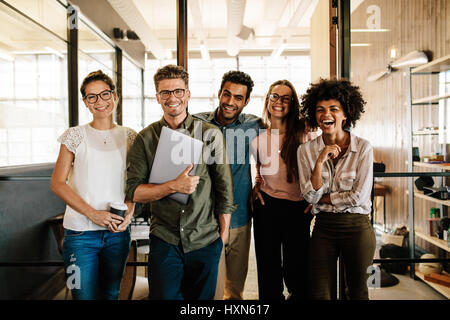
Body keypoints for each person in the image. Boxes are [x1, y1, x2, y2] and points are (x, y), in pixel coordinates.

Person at [125, 64, 236, 300]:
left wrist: (221, 239)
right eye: (165, 92)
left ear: (187, 94)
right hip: (165, 240)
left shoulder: (210, 134)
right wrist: (173, 186)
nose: (172, 97)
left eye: (178, 91)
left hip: (205, 239)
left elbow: (224, 191)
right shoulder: (146, 138)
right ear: (157, 97)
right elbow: (134, 191)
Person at [51, 70, 136, 300]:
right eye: (92, 97)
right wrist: (93, 214)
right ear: (86, 103)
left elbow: (135, 184)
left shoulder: (130, 137)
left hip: (117, 235)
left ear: (115, 96)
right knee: (82, 296)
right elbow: (58, 183)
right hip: (79, 235)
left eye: (105, 94)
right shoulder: (74, 136)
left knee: (111, 294)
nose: (100, 101)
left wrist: (130, 211)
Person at [297, 78, 375, 300]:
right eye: (320, 110)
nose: (325, 114)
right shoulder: (306, 151)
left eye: (333, 109)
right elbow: (310, 196)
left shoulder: (363, 148)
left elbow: (359, 197)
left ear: (346, 114)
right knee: (320, 292)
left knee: (359, 291)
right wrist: (320, 160)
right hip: (324, 228)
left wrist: (324, 198)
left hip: (358, 227)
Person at [194, 70, 262, 300]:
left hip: (240, 218)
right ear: (219, 93)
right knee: (207, 289)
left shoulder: (254, 125)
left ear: (246, 100)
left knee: (234, 291)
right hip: (205, 220)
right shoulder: (196, 123)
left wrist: (262, 179)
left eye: (238, 97)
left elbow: (280, 144)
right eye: (226, 94)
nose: (230, 102)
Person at [250, 80, 315, 300]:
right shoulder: (257, 139)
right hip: (266, 206)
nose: (279, 102)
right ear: (267, 100)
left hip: (298, 208)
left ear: (292, 103)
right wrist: (256, 186)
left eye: (285, 98)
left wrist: (316, 198)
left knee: (297, 270)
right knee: (268, 270)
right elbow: (259, 171)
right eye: (274, 96)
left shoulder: (306, 134)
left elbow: (320, 168)